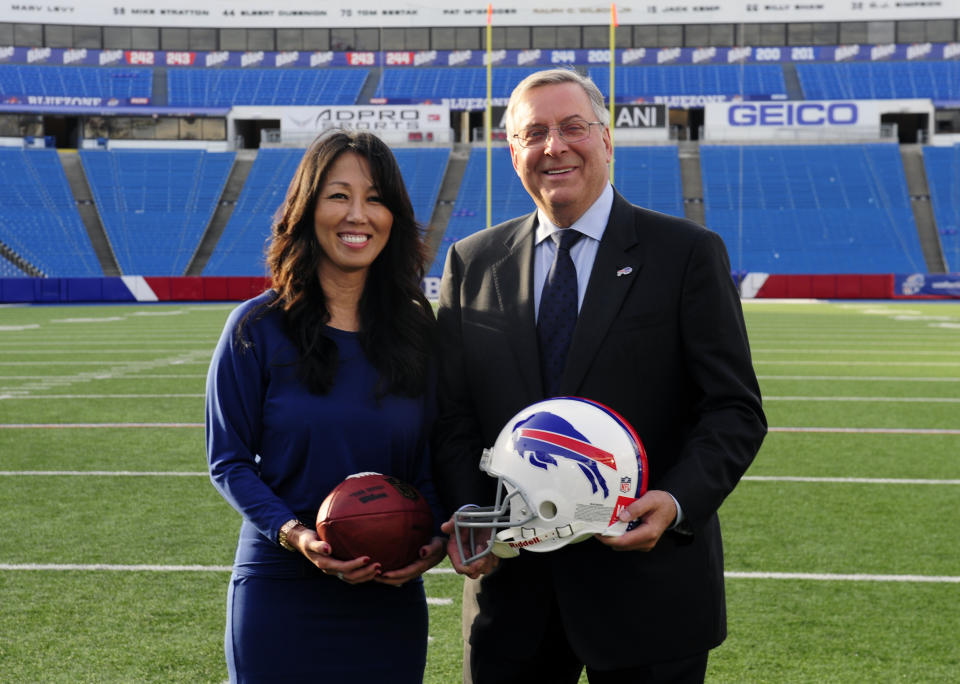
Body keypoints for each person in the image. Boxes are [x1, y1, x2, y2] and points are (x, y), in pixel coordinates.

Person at [432, 68, 767, 684]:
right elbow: (451, 413)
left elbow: (733, 409)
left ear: (606, 140)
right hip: (514, 597)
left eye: (573, 127)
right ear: (513, 153)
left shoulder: (685, 253)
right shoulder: (471, 262)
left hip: (651, 594)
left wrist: (675, 502)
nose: (554, 146)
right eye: (534, 133)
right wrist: (466, 508)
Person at [205, 130, 445, 684]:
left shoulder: (416, 331)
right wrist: (297, 535)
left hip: (390, 586)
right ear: (307, 208)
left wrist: (431, 539)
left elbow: (432, 456)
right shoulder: (255, 327)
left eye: (376, 198)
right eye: (338, 195)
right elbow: (229, 461)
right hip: (281, 588)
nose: (357, 214)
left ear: (395, 218)